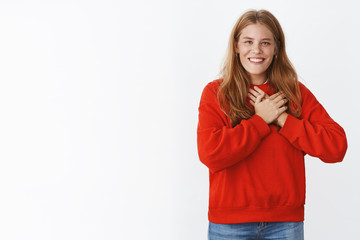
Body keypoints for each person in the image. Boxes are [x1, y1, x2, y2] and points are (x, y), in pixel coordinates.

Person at [196, 9, 347, 240]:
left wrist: (283, 119)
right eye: (248, 41)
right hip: (230, 224)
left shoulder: (295, 94)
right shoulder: (216, 93)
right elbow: (210, 153)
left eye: (265, 43)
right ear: (236, 46)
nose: (256, 50)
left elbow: (336, 147)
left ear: (276, 48)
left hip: (284, 222)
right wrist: (259, 121)